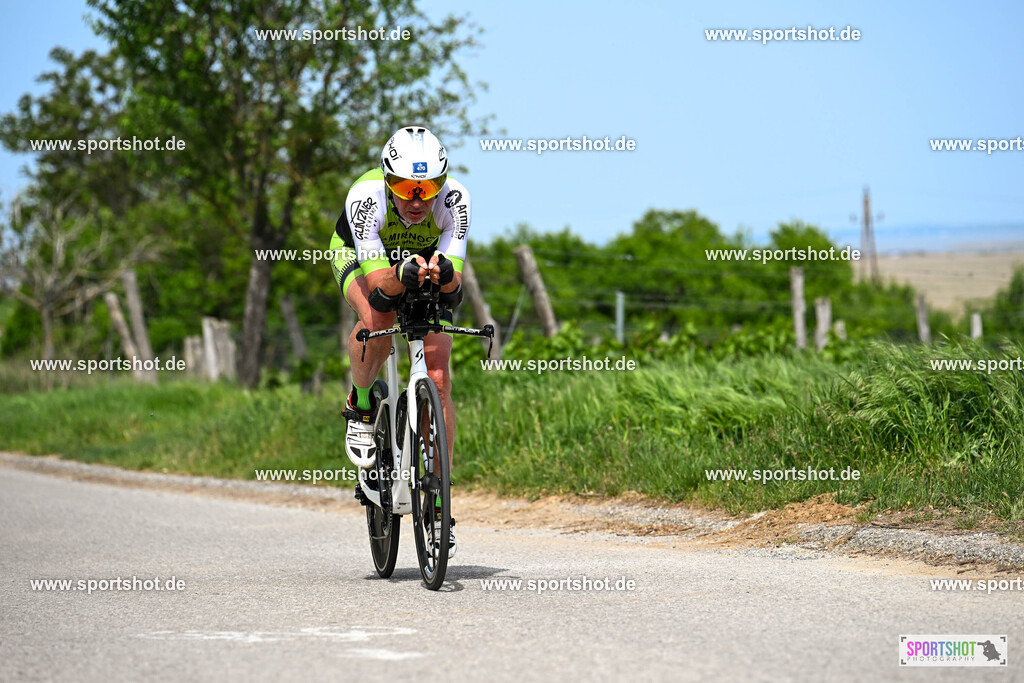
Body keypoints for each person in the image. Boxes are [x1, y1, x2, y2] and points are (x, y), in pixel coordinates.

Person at [329, 126, 470, 557]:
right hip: (360, 257)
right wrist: (401, 273)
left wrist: (444, 275)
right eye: (406, 188)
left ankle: (440, 502)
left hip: (421, 262)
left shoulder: (456, 201)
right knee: (378, 317)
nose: (416, 200)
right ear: (389, 182)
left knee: (440, 376)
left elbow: (456, 287)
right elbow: (377, 288)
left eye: (427, 189)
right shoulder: (366, 196)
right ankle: (363, 401)